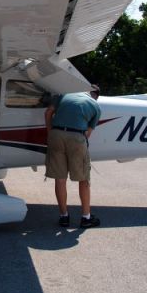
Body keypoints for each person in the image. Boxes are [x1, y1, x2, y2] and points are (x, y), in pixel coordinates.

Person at [44, 86, 101, 228]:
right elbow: (87, 134)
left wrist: (52, 132)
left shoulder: (64, 94)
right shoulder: (95, 105)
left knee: (60, 179)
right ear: (95, 96)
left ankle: (64, 217)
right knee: (83, 179)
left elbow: (48, 112)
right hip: (77, 137)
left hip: (56, 135)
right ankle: (86, 217)